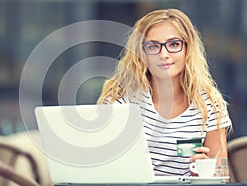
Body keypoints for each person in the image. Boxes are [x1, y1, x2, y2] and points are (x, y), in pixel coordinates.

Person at [97, 8, 232, 176]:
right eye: (153, 46)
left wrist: (203, 175)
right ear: (141, 53)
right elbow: (102, 169)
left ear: (187, 49)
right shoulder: (120, 99)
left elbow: (222, 175)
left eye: (174, 44)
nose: (164, 54)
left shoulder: (210, 103)